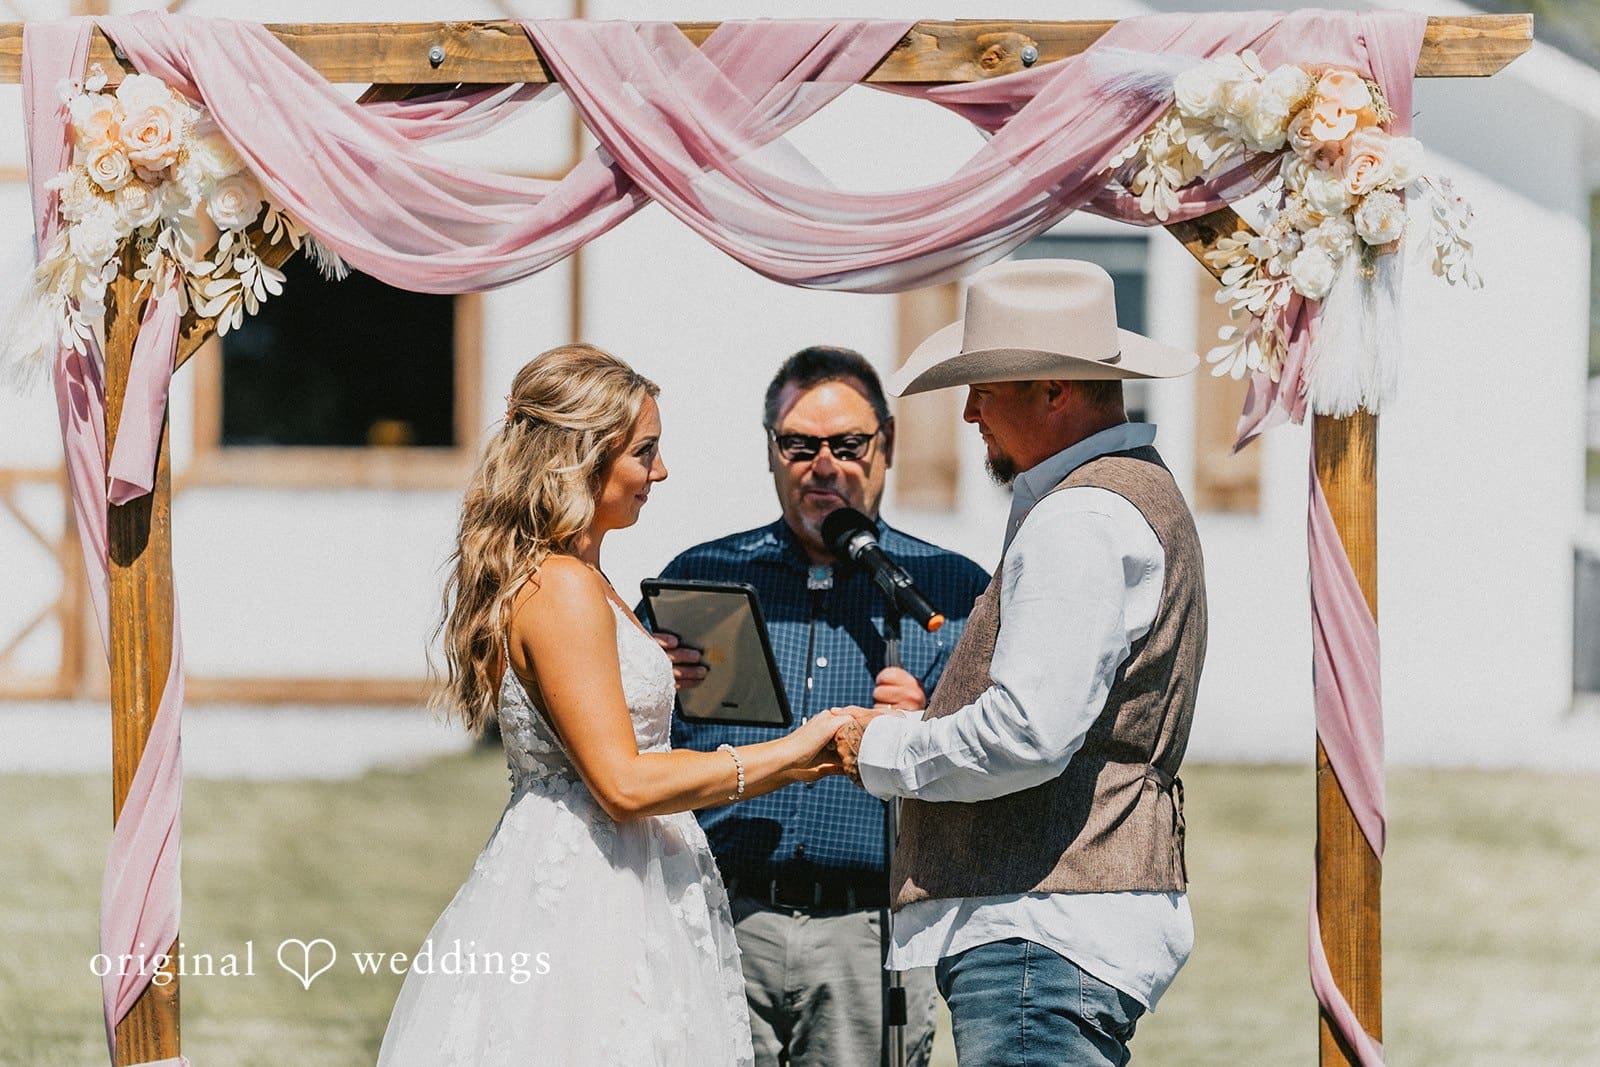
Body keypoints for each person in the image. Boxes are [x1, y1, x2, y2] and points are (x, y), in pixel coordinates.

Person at [377, 344, 853, 1067]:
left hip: (619, 876)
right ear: (583, 456)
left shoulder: (583, 574)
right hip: (590, 900)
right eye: (645, 452)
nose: (659, 473)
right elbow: (624, 785)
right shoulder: (563, 584)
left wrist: (652, 668)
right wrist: (791, 755)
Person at [831, 259, 1209, 1067]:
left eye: (987, 387)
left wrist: (882, 747)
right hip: (1056, 931)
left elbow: (1027, 733)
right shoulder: (1120, 494)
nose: (969, 412)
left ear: (1053, 390)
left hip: (1041, 935)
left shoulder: (1081, 517)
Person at [649, 346, 990, 1067]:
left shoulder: (953, 593)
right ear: (771, 452)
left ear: (886, 446)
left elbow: (1000, 766)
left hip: (870, 931)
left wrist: (931, 730)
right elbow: (643, 759)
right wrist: (651, 683)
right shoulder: (703, 576)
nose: (823, 464)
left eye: (847, 444)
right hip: (722, 919)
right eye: (799, 444)